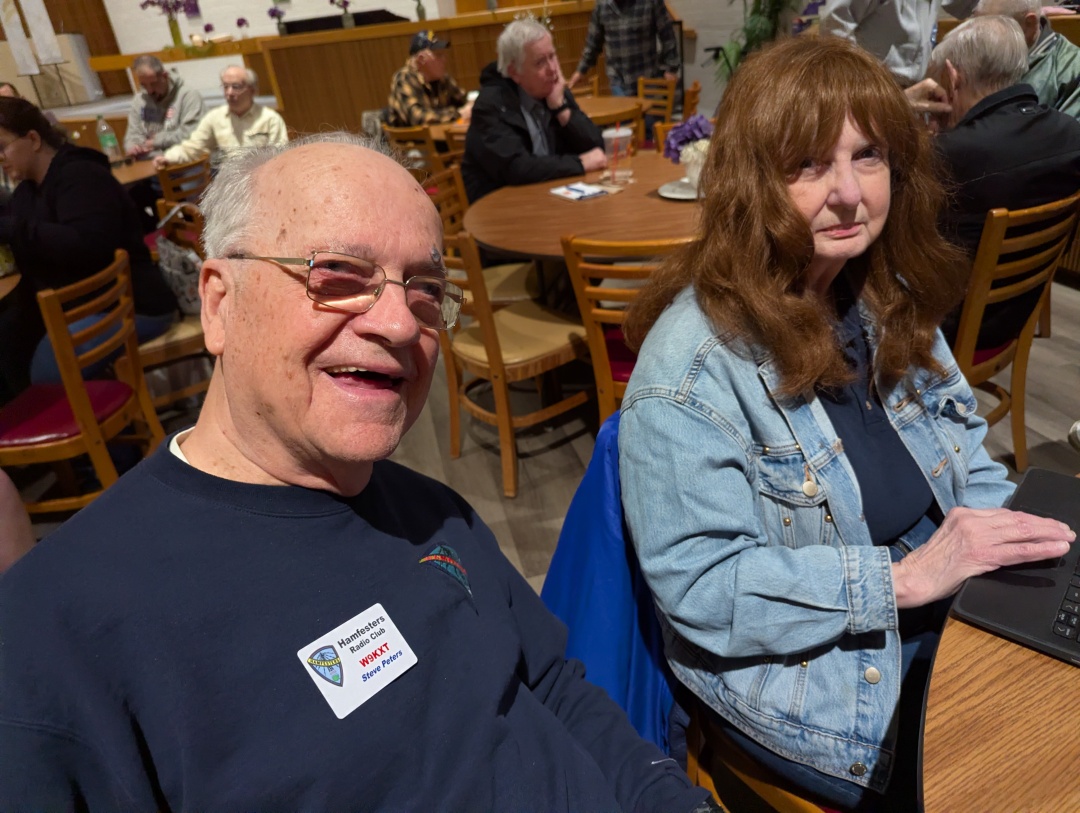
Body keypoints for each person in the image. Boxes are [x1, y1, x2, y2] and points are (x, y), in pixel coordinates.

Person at [0, 132, 720, 813]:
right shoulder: (56, 631)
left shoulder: (429, 509)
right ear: (219, 304)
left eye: (425, 288)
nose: (401, 323)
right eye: (339, 275)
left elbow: (553, 685)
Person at [617, 36, 1074, 812]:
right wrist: (903, 579)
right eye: (808, 165)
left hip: (930, 595)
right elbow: (703, 589)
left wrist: (1031, 550)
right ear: (752, 183)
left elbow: (965, 447)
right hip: (813, 670)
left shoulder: (879, 292)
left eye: (868, 156)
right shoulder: (688, 371)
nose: (850, 194)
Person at [0, 98, 176, 399]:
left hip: (131, 305)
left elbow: (88, 246)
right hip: (83, 305)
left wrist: (12, 230)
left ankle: (108, 428)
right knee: (9, 343)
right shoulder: (27, 192)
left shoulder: (82, 176)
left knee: (46, 373)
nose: (0, 158)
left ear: (33, 139)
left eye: (2, 147)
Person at [927, 15, 1080, 348]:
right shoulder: (1071, 134)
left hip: (941, 333)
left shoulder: (946, 154)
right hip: (1012, 320)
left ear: (952, 77)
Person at [462, 18, 605, 203]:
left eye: (552, 56)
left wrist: (561, 109)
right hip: (502, 207)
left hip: (548, 199)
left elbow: (596, 147)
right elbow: (517, 168)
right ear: (514, 72)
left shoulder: (553, 90)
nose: (552, 69)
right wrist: (579, 164)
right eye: (540, 63)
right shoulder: (492, 104)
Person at [154, 65, 287, 168]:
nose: (229, 93)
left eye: (236, 87)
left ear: (252, 91)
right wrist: (168, 157)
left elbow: (281, 157)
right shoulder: (215, 117)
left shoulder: (270, 119)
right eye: (225, 87)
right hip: (228, 181)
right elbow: (193, 147)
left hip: (261, 177)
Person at [820, 0, 978, 86]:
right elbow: (834, 28)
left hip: (917, 86)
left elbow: (966, 6)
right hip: (873, 89)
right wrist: (862, 88)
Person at [973, 0, 1080, 117]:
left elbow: (1071, 128)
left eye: (990, 29)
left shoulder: (1071, 68)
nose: (979, 38)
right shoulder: (973, 49)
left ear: (1029, 23)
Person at [567, 0, 680, 97]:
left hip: (648, 78)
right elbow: (593, 43)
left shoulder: (651, 2)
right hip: (618, 80)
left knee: (650, 116)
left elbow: (667, 35)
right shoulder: (602, 5)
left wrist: (671, 68)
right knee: (625, 116)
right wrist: (580, 71)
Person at [124, 55, 204, 159]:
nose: (149, 90)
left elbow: (192, 133)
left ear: (164, 76)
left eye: (153, 84)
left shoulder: (188, 96)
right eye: (144, 85)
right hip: (149, 161)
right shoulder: (139, 100)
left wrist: (156, 141)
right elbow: (133, 134)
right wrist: (133, 146)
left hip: (184, 161)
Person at [387, 30, 471, 127]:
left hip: (441, 134)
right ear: (421, 59)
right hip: (415, 136)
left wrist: (472, 106)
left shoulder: (442, 77)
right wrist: (457, 114)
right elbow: (418, 118)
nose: (444, 59)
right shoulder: (404, 78)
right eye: (438, 55)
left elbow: (463, 100)